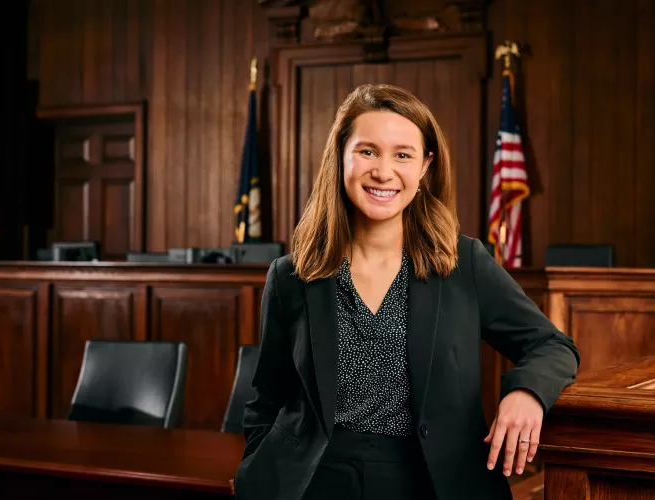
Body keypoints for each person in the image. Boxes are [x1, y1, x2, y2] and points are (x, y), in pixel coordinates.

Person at [234, 83, 580, 500]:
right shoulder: (291, 275)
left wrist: (527, 393)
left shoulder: (463, 262)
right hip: (312, 482)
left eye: (402, 154)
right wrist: (258, 469)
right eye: (367, 151)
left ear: (425, 167)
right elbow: (266, 398)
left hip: (432, 482)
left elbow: (552, 345)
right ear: (340, 156)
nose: (383, 171)